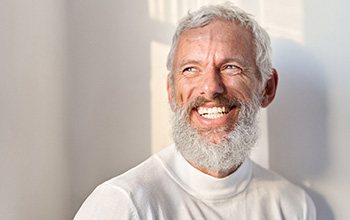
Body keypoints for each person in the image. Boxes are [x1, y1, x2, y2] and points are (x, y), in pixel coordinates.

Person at [74, 3, 316, 220]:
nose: (211, 88)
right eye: (191, 69)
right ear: (171, 91)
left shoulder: (294, 206)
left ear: (267, 88)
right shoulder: (125, 203)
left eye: (231, 67)